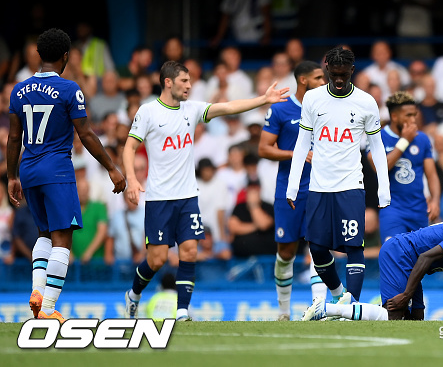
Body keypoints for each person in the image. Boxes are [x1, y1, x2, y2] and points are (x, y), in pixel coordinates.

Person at [123, 60, 289, 321]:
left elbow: (229, 107)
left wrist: (263, 99)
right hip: (158, 199)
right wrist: (131, 180)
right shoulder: (148, 112)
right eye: (184, 81)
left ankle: (182, 311)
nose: (189, 86)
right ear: (168, 82)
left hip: (188, 196)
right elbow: (129, 147)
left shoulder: (192, 110)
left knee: (189, 251)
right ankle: (133, 293)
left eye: (190, 81)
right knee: (157, 259)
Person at [7, 28, 126, 323]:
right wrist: (112, 167)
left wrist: (12, 177)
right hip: (57, 169)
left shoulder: (18, 90)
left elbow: (12, 138)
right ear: (66, 56)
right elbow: (85, 133)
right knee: (63, 240)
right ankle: (47, 308)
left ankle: (36, 293)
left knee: (44, 233)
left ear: (38, 55)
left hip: (28, 168)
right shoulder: (70, 89)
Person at [286, 47, 391, 304]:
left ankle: (352, 305)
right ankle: (338, 295)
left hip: (351, 185)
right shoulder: (312, 99)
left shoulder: (366, 102)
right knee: (318, 249)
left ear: (352, 71)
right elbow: (302, 143)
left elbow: (376, 146)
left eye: (344, 74)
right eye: (334, 75)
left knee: (354, 246)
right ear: (327, 70)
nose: (339, 80)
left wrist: (383, 188)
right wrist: (292, 185)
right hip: (319, 186)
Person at [302, 218, 443, 321]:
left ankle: (347, 308)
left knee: (416, 319)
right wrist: (406, 295)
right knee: (394, 317)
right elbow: (425, 257)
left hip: (411, 260)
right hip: (401, 254)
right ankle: (329, 309)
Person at [258, 60, 327, 321]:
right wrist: (295, 154)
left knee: (319, 247)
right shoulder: (280, 110)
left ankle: (318, 308)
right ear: (304, 81)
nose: (324, 82)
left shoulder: (328, 109)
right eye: (319, 77)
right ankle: (283, 312)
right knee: (286, 253)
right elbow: (264, 148)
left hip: (320, 189)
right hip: (289, 190)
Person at [367, 91, 440, 242]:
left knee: (421, 259)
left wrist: (435, 201)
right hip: (392, 210)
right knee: (394, 252)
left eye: (414, 114)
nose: (413, 120)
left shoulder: (422, 139)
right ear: (394, 116)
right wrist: (404, 141)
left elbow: (431, 175)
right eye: (408, 115)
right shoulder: (378, 138)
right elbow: (381, 167)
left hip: (419, 210)